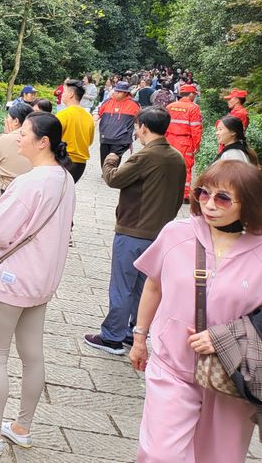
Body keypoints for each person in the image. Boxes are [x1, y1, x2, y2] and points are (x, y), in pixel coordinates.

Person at [129, 161, 262, 463]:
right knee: (158, 455)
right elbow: (154, 285)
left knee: (219, 458)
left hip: (232, 377)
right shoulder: (177, 233)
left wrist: (224, 337)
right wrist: (139, 336)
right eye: (204, 193)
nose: (209, 204)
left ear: (249, 201)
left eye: (223, 198)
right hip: (172, 365)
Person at [0, 113, 76, 456]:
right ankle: (22, 426)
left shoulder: (30, 182)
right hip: (42, 281)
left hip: (13, 279)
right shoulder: (64, 179)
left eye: (24, 133)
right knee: (32, 356)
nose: (17, 137)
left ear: (43, 142)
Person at [82, 106, 186, 355]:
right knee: (143, 287)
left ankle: (112, 337)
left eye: (138, 127)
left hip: (133, 232)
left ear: (143, 128)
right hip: (160, 234)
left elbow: (114, 179)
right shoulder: (176, 157)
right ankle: (133, 332)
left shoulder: (145, 157)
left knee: (122, 285)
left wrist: (111, 159)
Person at [0, 101, 34, 208]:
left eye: (8, 118)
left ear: (16, 121)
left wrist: (4, 137)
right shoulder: (37, 138)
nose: (5, 120)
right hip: (31, 195)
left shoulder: (5, 139)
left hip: (6, 193)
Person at [165, 83, 204, 199]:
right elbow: (196, 129)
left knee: (169, 165)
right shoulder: (193, 108)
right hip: (185, 142)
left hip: (169, 140)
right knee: (185, 167)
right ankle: (184, 194)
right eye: (194, 94)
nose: (195, 96)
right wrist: (197, 145)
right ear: (191, 94)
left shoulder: (170, 106)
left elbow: (164, 125)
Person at [56, 79, 95, 182]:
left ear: (71, 94)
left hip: (64, 161)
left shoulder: (63, 115)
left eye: (64, 92)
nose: (62, 94)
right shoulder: (89, 117)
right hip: (81, 164)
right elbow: (90, 141)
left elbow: (53, 138)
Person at [95, 81, 140, 161]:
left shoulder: (133, 104)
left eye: (119, 92)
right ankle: (106, 173)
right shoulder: (107, 102)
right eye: (116, 90)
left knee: (112, 161)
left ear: (126, 93)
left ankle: (110, 173)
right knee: (104, 161)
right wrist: (93, 121)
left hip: (121, 139)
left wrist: (138, 130)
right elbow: (98, 113)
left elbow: (139, 118)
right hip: (105, 137)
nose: (116, 93)